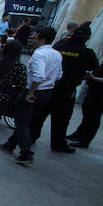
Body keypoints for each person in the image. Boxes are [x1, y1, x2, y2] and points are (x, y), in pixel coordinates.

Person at [29, 21, 98, 153]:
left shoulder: (60, 45)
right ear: (87, 38)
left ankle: (31, 136)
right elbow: (94, 66)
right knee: (61, 119)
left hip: (51, 86)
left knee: (39, 114)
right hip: (67, 89)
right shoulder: (86, 52)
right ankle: (58, 143)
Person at [0, 27, 62, 165]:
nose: (31, 39)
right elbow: (58, 75)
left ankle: (25, 153)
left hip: (34, 91)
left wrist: (31, 92)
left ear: (42, 40)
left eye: (34, 37)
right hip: (47, 91)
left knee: (22, 122)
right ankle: (10, 144)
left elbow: (39, 76)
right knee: (26, 120)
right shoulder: (57, 54)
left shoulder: (39, 54)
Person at [67, 61, 103, 148]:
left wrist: (94, 78)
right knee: (87, 114)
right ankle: (78, 134)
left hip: (100, 94)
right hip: (93, 90)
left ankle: (85, 140)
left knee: (93, 117)